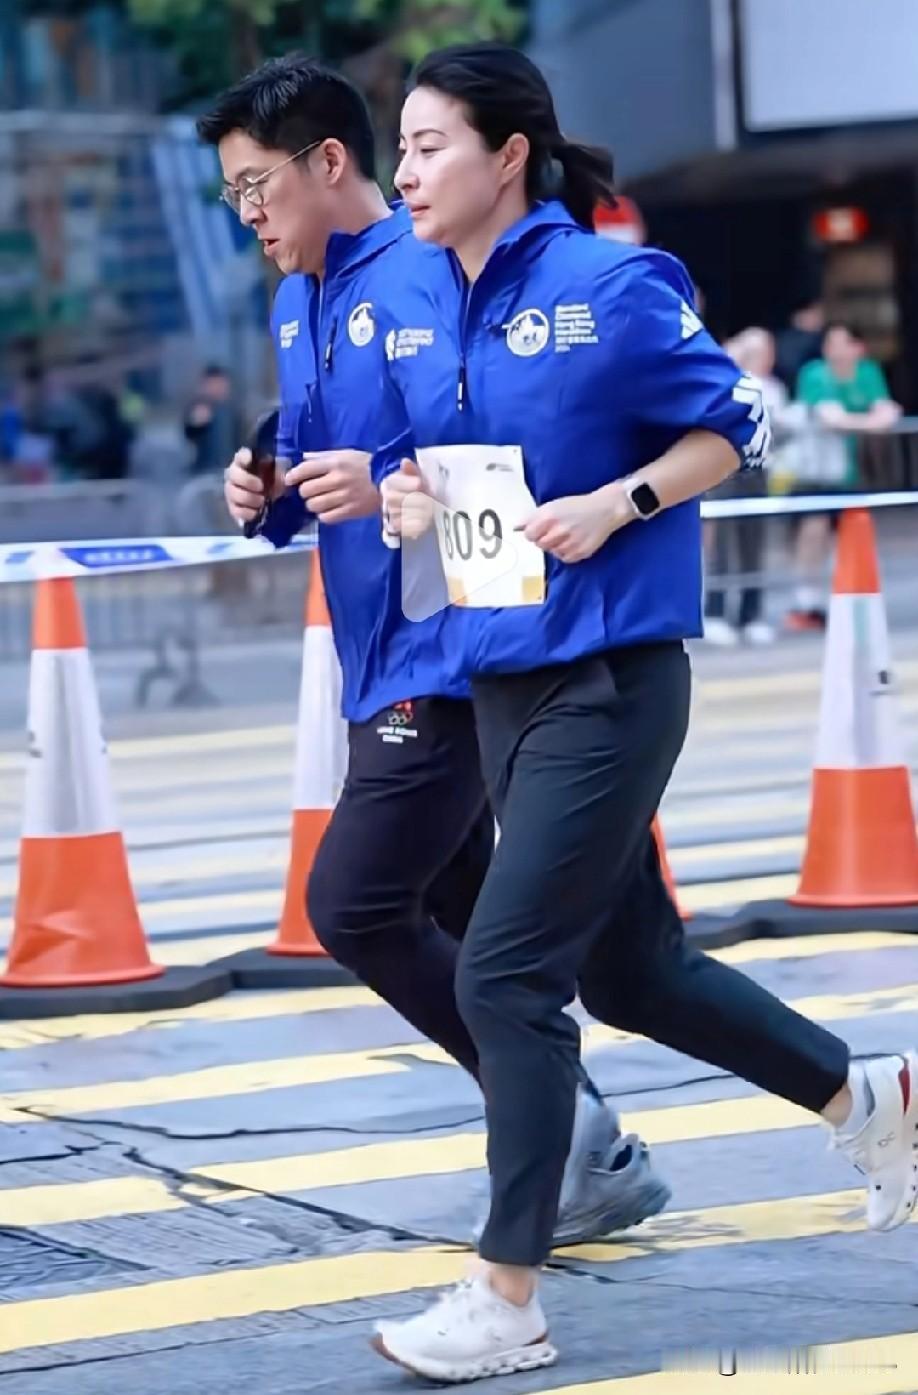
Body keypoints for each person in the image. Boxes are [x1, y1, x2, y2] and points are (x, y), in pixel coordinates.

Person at [371, 43, 918, 1383]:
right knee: (632, 971)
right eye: (401, 149)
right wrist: (411, 503)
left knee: (505, 973)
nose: (406, 173)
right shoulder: (430, 300)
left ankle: (506, 1294)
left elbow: (737, 426)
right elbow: (462, 475)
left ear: (509, 155)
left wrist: (620, 503)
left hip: (608, 681)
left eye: (429, 146)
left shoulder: (608, 284)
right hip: (502, 673)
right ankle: (872, 1097)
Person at [196, 55, 669, 1250]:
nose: (247, 215)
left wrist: (396, 485)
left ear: (328, 164)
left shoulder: (427, 266)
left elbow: (500, 445)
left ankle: (576, 1144)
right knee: (461, 925)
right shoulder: (295, 301)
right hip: (375, 652)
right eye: (232, 196)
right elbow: (323, 454)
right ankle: (585, 1150)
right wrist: (267, 483)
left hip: (456, 647)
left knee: (355, 903)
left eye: (255, 188)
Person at [785, 322, 901, 631]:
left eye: (841, 343)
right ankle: (805, 601)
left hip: (852, 472)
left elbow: (887, 409)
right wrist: (872, 422)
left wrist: (870, 420)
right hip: (816, 471)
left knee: (852, 533)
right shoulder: (814, 373)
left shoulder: (868, 372)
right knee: (813, 531)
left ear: (857, 348)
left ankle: (848, 601)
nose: (834, 350)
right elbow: (831, 418)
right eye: (830, 344)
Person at [702, 327, 790, 646]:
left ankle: (751, 614)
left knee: (754, 544)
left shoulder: (774, 388)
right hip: (724, 468)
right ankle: (715, 611)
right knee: (722, 545)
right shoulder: (725, 381)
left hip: (758, 470)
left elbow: (778, 429)